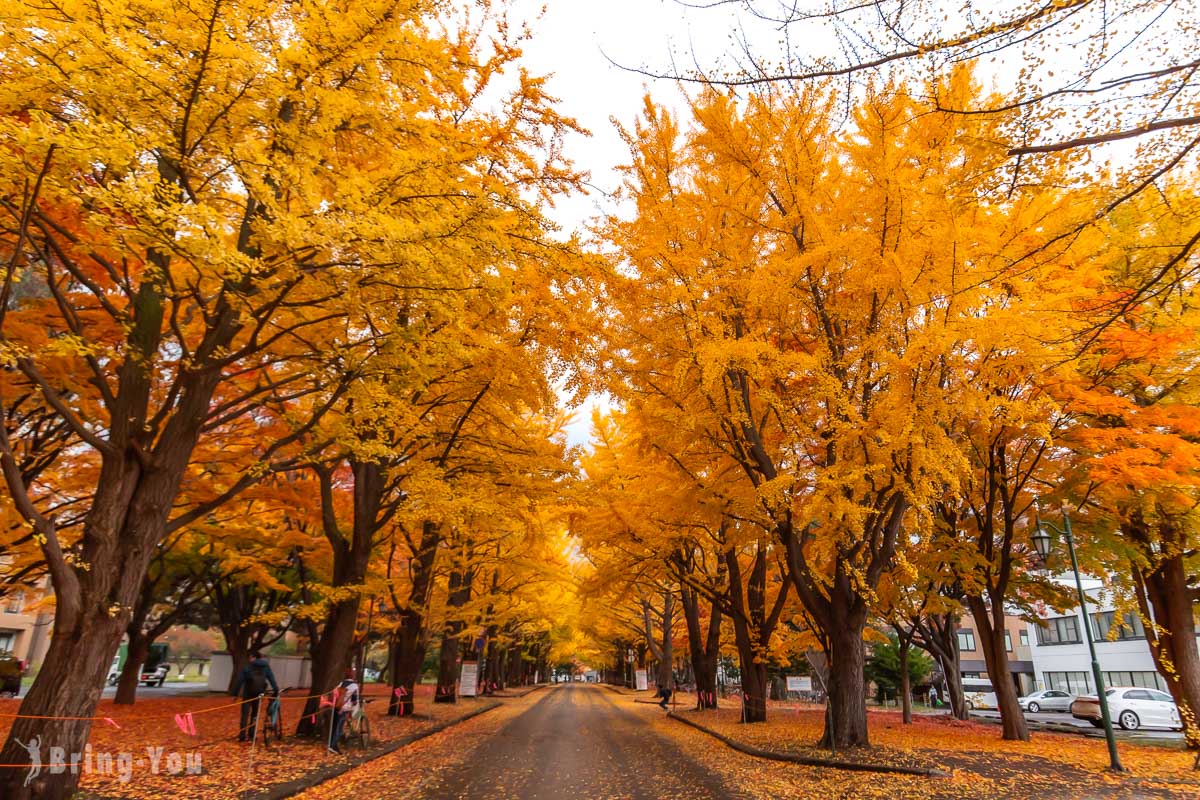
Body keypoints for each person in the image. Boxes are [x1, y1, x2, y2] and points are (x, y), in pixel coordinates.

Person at [231, 651, 280, 742]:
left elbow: (239, 681)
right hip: (259, 694)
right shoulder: (266, 667)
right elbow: (271, 679)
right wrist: (276, 690)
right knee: (255, 714)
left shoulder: (248, 667)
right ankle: (252, 734)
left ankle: (242, 735)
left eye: (250, 657)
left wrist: (235, 694)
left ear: (253, 657)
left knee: (245, 715)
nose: (249, 659)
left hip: (247, 694)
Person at [328, 668, 360, 754]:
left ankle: (331, 744)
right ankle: (332, 745)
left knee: (334, 726)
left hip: (336, 706)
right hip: (344, 708)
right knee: (339, 728)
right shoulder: (354, 686)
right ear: (353, 675)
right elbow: (354, 700)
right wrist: (354, 709)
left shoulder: (340, 683)